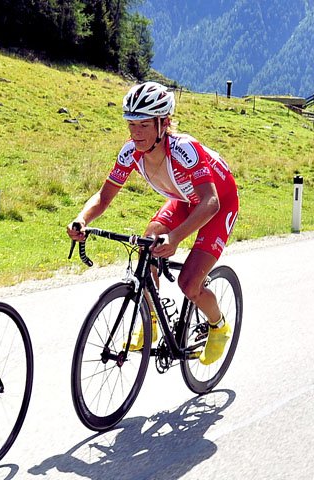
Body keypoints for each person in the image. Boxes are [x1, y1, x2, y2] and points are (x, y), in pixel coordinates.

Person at [66, 81, 240, 365]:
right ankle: (152, 322)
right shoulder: (130, 152)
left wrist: (175, 238)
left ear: (163, 123)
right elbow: (104, 196)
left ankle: (218, 325)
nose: (136, 133)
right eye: (131, 125)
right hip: (185, 200)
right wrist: (81, 219)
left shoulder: (184, 150)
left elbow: (211, 202)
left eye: (144, 126)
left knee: (189, 283)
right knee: (149, 240)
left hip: (218, 203)